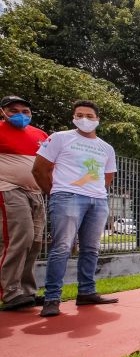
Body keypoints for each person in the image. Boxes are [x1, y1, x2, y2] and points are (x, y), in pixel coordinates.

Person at [32, 100, 118, 317]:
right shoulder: (60, 138)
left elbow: (107, 177)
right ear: (73, 117)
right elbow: (39, 169)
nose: (84, 119)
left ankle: (86, 292)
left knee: (91, 248)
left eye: (90, 116)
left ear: (97, 119)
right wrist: (56, 192)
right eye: (79, 115)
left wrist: (95, 192)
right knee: (62, 247)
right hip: (67, 197)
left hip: (97, 200)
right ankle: (52, 298)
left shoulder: (106, 147)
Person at [0, 96, 48, 310]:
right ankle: (9, 291)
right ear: (3, 112)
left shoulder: (40, 135)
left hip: (36, 191)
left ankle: (26, 291)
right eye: (13, 110)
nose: (20, 114)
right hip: (8, 188)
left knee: (35, 240)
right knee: (20, 237)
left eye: (25, 111)